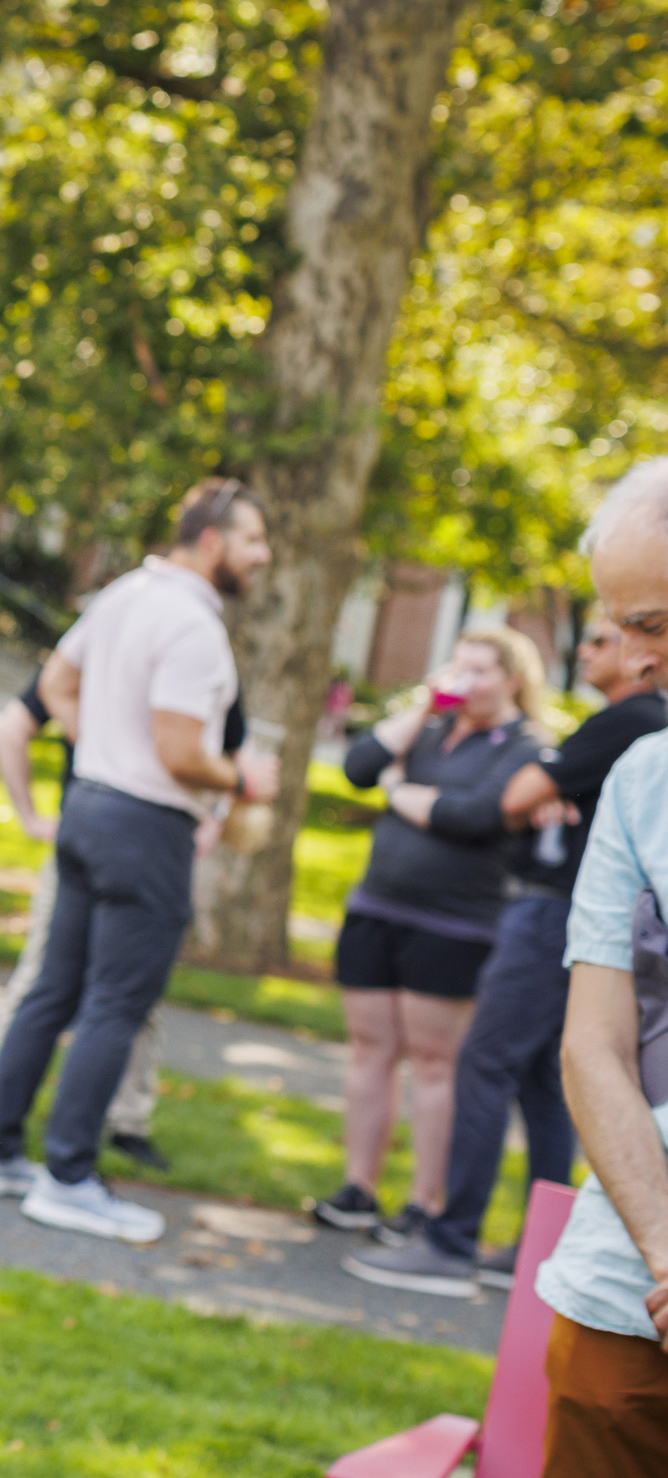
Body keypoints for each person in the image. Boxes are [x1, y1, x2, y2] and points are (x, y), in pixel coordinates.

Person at [0, 478, 279, 1244]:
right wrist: (244, 778)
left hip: (89, 806)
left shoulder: (122, 594)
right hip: (146, 825)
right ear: (211, 541)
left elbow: (58, 684)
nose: (262, 557)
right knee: (115, 1004)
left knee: (53, 990)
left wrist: (100, 741)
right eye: (254, 541)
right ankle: (69, 1175)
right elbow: (180, 753)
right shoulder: (195, 623)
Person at [346, 613, 664, 1296]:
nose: (591, 647)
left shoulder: (629, 719)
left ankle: (449, 1242)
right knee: (544, 1082)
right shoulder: (620, 729)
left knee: (483, 1062)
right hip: (566, 913)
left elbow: (506, 802)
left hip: (552, 918)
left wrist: (539, 795)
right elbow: (520, 808)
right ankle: (534, 1247)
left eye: (610, 636)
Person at [311, 626, 548, 1245]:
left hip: (454, 925)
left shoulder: (524, 744)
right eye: (457, 668)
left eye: (480, 672)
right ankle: (358, 1188)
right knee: (370, 1049)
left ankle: (425, 1203)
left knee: (435, 1062)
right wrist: (420, 708)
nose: (463, 682)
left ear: (512, 680)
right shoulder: (430, 728)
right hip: (376, 909)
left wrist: (400, 791)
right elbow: (360, 768)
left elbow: (474, 816)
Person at [537, 458, 668, 1472]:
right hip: (630, 1282)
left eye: (654, 624)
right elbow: (593, 1043)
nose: (636, 661)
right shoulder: (639, 777)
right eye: (623, 626)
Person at [0, 677, 169, 1168]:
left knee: (71, 984)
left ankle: (1, 1114)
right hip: (130, 841)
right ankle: (76, 1131)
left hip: (89, 833)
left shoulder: (94, 651)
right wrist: (30, 817)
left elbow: (9, 729)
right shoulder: (151, 650)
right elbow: (11, 730)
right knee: (86, 988)